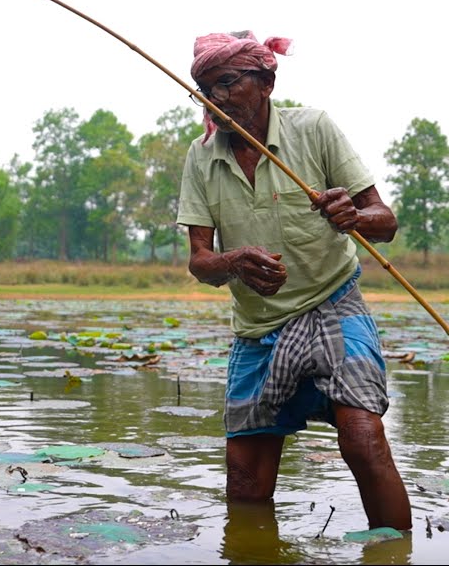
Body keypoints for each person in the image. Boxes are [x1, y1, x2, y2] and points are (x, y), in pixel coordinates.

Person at [176, 30, 412, 531]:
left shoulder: (313, 130)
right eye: (203, 89)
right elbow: (200, 261)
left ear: (266, 82)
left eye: (225, 83)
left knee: (363, 440)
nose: (213, 99)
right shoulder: (202, 157)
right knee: (245, 484)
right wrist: (234, 261)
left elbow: (384, 221)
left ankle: (394, 552)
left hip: (334, 306)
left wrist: (353, 214)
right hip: (258, 326)